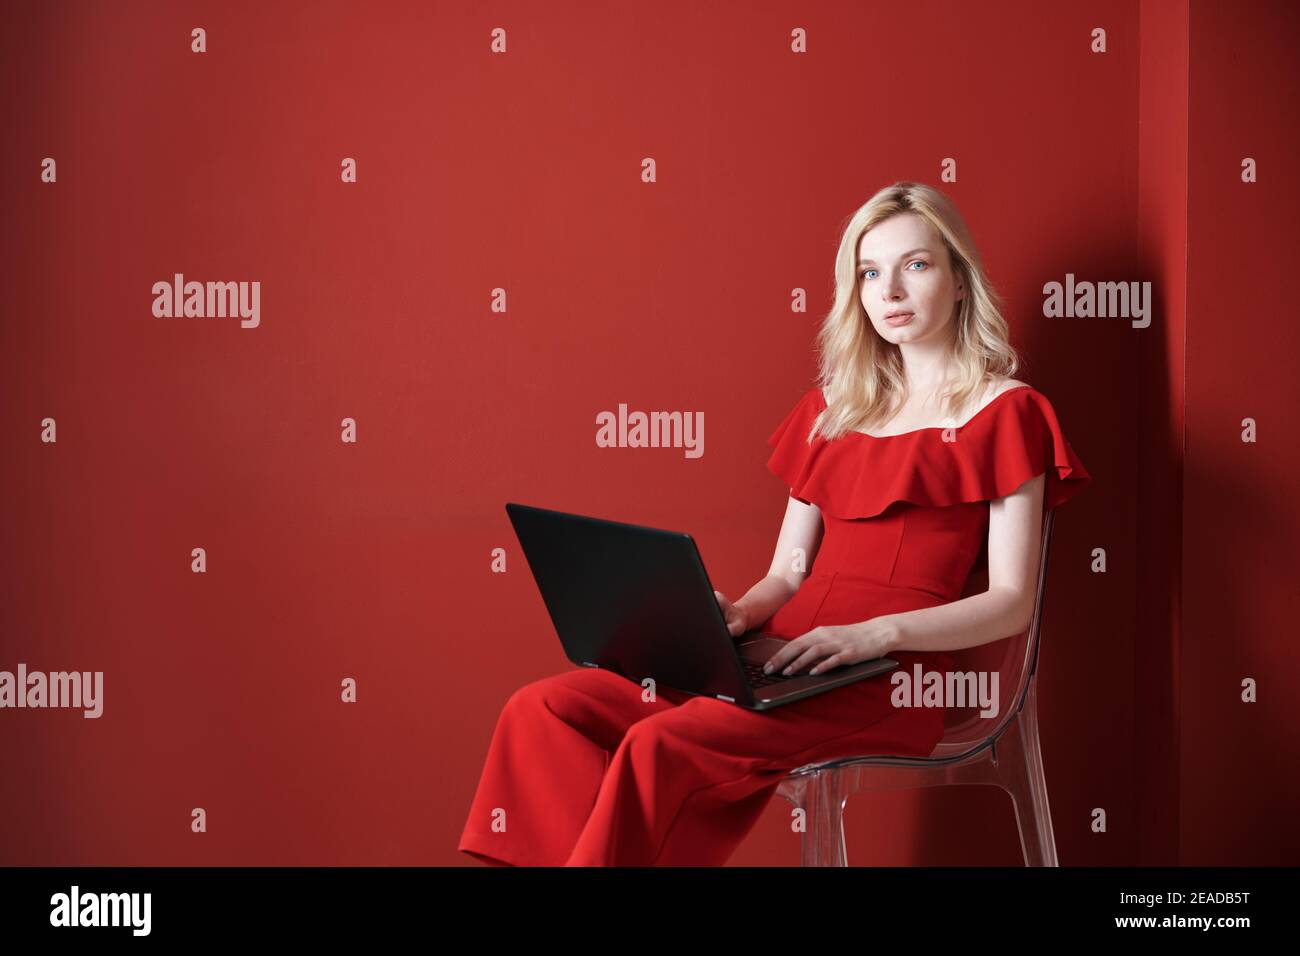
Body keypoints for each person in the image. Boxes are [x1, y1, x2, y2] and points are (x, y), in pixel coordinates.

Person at [457, 181, 1091, 867]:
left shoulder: (1009, 412)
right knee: (542, 708)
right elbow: (787, 573)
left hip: (886, 679)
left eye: (916, 265)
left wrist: (874, 634)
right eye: (870, 273)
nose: (891, 292)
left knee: (657, 743)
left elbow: (1010, 603)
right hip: (779, 657)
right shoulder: (833, 410)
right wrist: (732, 615)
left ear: (960, 280)